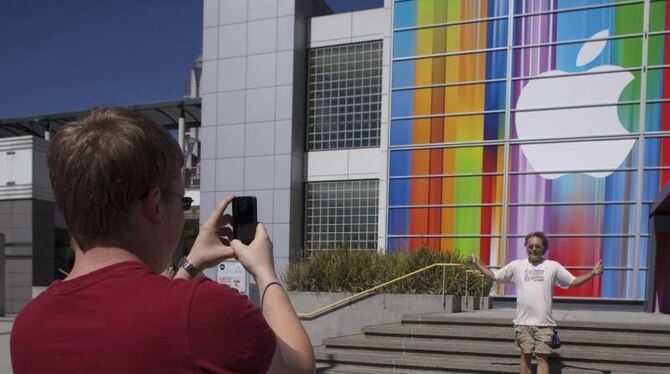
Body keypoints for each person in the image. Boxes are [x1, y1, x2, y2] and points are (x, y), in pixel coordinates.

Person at [10, 107, 314, 373]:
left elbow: (140, 324)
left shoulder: (27, 328)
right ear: (155, 205)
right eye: (182, 201)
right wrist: (265, 273)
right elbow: (298, 367)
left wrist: (191, 263)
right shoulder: (206, 310)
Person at [468, 231, 602, 374]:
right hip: (523, 323)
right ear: (526, 246)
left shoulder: (553, 266)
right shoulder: (517, 266)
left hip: (544, 324)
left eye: (538, 246)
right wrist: (476, 262)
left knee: (541, 359)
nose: (533, 249)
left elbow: (574, 281)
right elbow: (493, 275)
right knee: (525, 357)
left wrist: (592, 274)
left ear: (544, 248)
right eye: (530, 246)